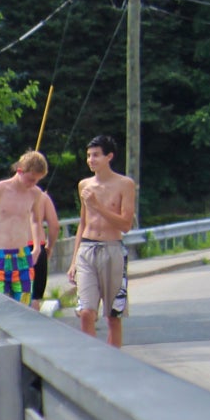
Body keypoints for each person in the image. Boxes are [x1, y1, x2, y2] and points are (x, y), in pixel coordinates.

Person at [67, 134, 137, 347]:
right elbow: (82, 221)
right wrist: (73, 261)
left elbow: (125, 224)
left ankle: (113, 361)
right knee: (86, 312)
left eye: (96, 155)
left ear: (109, 157)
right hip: (87, 249)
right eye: (89, 156)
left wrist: (97, 206)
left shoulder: (124, 184)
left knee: (112, 315)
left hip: (112, 248)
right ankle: (91, 360)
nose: (91, 160)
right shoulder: (84, 185)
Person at [0, 150, 48, 302]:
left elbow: (35, 219)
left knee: (24, 302)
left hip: (22, 253)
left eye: (37, 180)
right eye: (30, 179)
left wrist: (37, 248)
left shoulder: (35, 193)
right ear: (19, 171)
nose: (32, 184)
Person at [29, 186, 61, 307]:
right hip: (38, 246)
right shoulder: (42, 197)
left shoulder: (8, 194)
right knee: (34, 297)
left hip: (15, 246)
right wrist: (50, 246)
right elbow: (54, 226)